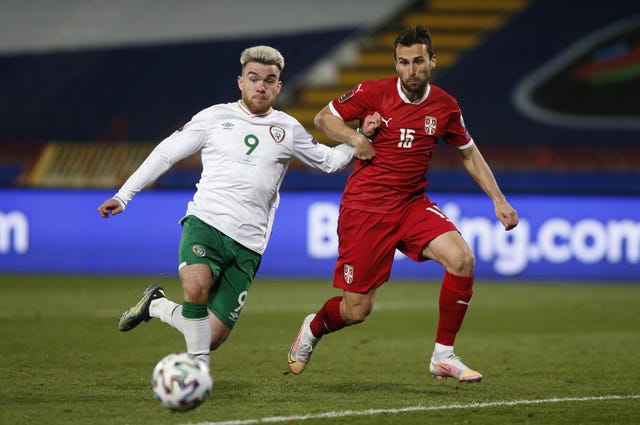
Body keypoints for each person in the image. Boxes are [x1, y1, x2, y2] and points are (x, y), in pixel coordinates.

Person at [97, 45, 377, 367]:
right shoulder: (215, 117)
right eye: (253, 78)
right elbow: (166, 153)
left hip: (249, 242)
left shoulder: (287, 128)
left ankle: (156, 305)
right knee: (196, 286)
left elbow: (329, 162)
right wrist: (124, 195)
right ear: (240, 82)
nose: (261, 86)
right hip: (206, 222)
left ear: (278, 86)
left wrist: (359, 136)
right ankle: (196, 372)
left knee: (211, 336)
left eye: (269, 80)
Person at [287, 25, 519, 383]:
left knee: (462, 259)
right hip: (365, 208)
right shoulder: (372, 92)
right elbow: (323, 118)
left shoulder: (445, 105)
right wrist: (355, 138)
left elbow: (468, 153)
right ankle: (314, 328)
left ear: (432, 61)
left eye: (418, 61)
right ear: (396, 64)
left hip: (411, 204)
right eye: (404, 62)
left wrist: (498, 200)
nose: (411, 70)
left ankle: (443, 355)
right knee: (356, 310)